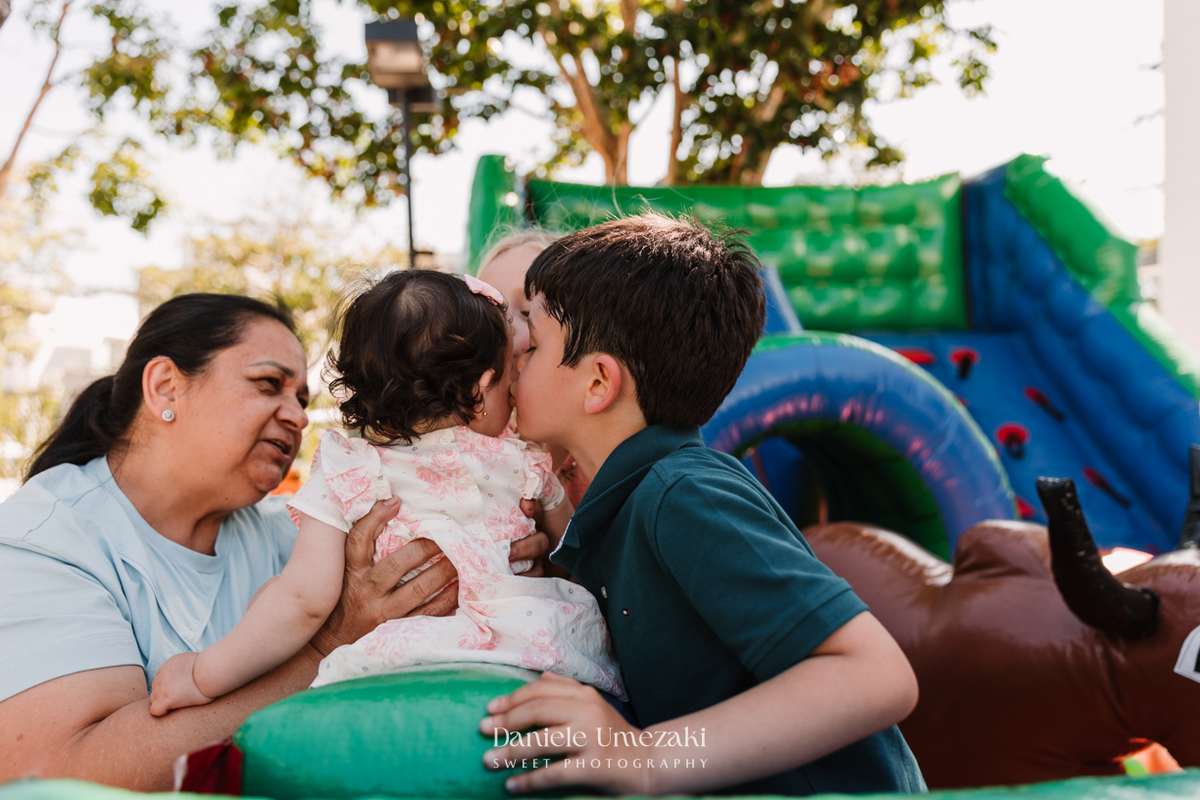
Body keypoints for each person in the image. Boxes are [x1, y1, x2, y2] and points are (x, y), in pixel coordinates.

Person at [0, 293, 546, 790]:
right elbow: (63, 774)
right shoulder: (42, 539)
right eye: (268, 384)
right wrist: (325, 646)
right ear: (165, 386)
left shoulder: (284, 532)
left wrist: (509, 552)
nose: (298, 416)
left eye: (303, 397)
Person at [481, 215, 925, 796]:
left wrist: (646, 755)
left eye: (532, 342)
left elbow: (876, 676)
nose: (511, 348)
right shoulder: (622, 505)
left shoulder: (682, 493)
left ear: (598, 384)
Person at [149, 272, 622, 714]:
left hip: (405, 672)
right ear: (479, 393)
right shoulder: (524, 463)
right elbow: (578, 554)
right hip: (543, 656)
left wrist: (200, 675)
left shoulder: (351, 471)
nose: (516, 392)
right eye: (509, 378)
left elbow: (302, 598)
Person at [477, 228, 588, 508]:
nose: (502, 330)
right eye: (485, 313)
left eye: (527, 313)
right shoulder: (454, 447)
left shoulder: (602, 465)